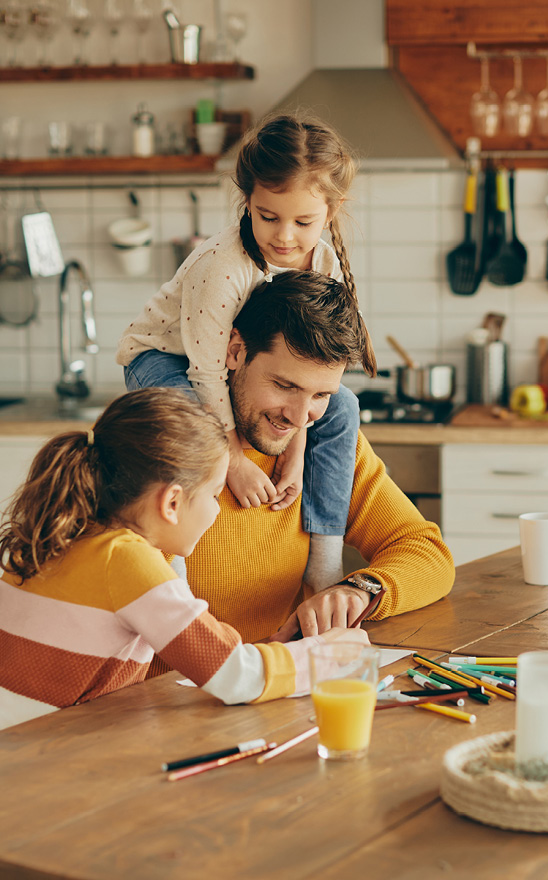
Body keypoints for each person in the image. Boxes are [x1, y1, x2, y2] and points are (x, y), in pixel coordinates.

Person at [0, 388, 367, 731]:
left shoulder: (64, 535)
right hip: (47, 761)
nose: (215, 509)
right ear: (172, 503)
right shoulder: (125, 559)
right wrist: (329, 654)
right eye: (214, 494)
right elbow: (236, 676)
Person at [116, 112, 374, 594]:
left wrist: (296, 451)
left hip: (222, 369)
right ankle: (170, 565)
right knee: (184, 425)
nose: (284, 236)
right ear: (248, 202)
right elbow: (207, 373)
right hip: (164, 357)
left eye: (304, 221)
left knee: (345, 407)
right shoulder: (222, 268)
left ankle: (324, 562)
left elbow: (314, 367)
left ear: (332, 211)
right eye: (267, 216)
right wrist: (233, 461)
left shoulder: (325, 263)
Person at [151, 269, 454, 670]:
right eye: (285, 385)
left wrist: (357, 590)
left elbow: (428, 554)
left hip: (284, 694)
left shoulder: (327, 448)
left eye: (321, 394)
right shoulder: (149, 450)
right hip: (168, 705)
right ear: (235, 351)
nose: (299, 417)